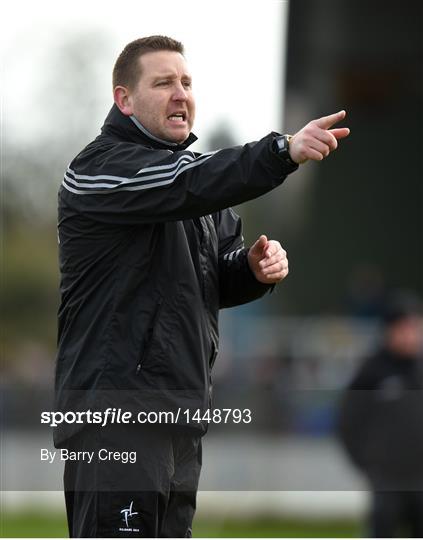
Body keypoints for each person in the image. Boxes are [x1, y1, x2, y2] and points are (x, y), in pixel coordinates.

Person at [55, 35, 350, 537]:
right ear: (124, 99)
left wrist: (252, 271)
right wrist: (281, 151)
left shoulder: (198, 190)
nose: (180, 93)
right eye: (164, 82)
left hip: (180, 418)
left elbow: (211, 277)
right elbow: (184, 184)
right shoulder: (99, 169)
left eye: (187, 82)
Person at [338, 291, 423, 538]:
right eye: (403, 328)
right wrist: (370, 465)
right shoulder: (372, 372)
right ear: (389, 331)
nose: (410, 335)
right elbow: (348, 423)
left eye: (414, 327)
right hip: (387, 481)